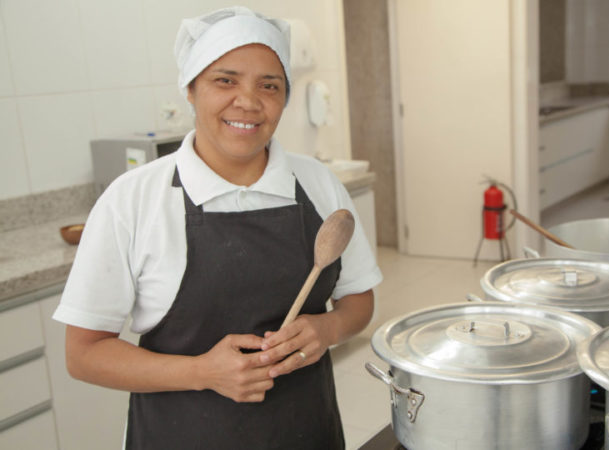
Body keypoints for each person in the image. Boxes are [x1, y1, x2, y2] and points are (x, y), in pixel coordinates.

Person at [52, 7, 382, 449]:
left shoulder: (319, 184)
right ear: (190, 88)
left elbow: (358, 299)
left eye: (269, 85)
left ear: (284, 97)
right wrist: (203, 372)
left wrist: (329, 329)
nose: (248, 101)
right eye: (225, 80)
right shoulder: (132, 200)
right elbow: (84, 354)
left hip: (306, 431)